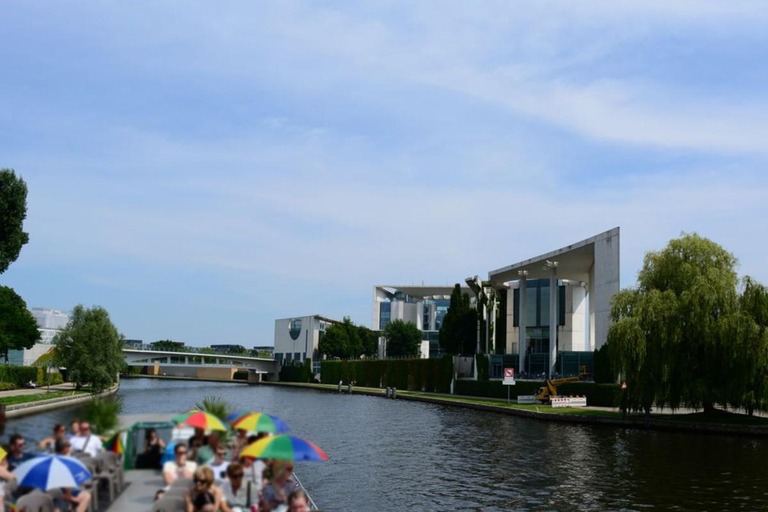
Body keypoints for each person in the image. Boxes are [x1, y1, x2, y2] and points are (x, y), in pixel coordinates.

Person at [52, 438, 92, 512]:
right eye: (69, 447)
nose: (70, 449)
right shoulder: (65, 463)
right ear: (65, 449)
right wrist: (74, 499)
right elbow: (67, 492)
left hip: (64, 492)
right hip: (61, 494)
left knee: (86, 495)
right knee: (85, 496)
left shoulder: (55, 459)